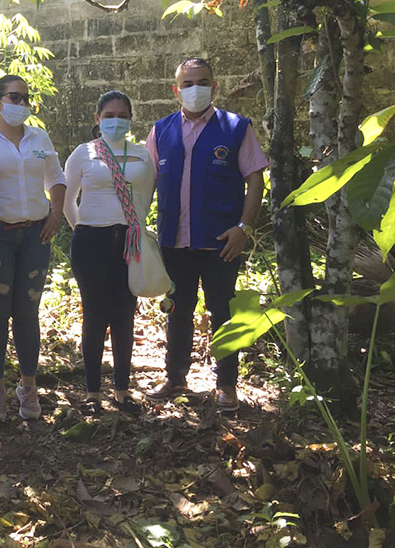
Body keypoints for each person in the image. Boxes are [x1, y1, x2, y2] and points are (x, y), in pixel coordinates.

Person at [143, 58, 268, 412]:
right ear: (176, 89)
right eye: (187, 83)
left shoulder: (235, 128)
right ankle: (175, 377)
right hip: (173, 241)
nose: (194, 88)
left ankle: (227, 384)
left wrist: (244, 228)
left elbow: (255, 180)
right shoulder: (161, 130)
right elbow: (147, 183)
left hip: (221, 243)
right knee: (176, 310)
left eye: (202, 82)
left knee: (223, 312)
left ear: (214, 86)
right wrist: (138, 227)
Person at [0, 75, 66, 422]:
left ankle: (28, 386)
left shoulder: (38, 137)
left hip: (34, 237)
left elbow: (56, 178)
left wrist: (56, 213)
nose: (22, 104)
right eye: (15, 97)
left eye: (27, 99)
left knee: (27, 312)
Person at [63, 91, 153, 417]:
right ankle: (91, 392)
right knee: (95, 315)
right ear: (97, 119)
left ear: (131, 119)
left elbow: (145, 199)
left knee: (125, 315)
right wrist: (84, 229)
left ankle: (122, 390)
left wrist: (133, 232)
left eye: (123, 115)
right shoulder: (83, 154)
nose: (116, 121)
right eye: (109, 115)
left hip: (128, 242)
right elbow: (67, 199)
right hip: (90, 243)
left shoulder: (143, 155)